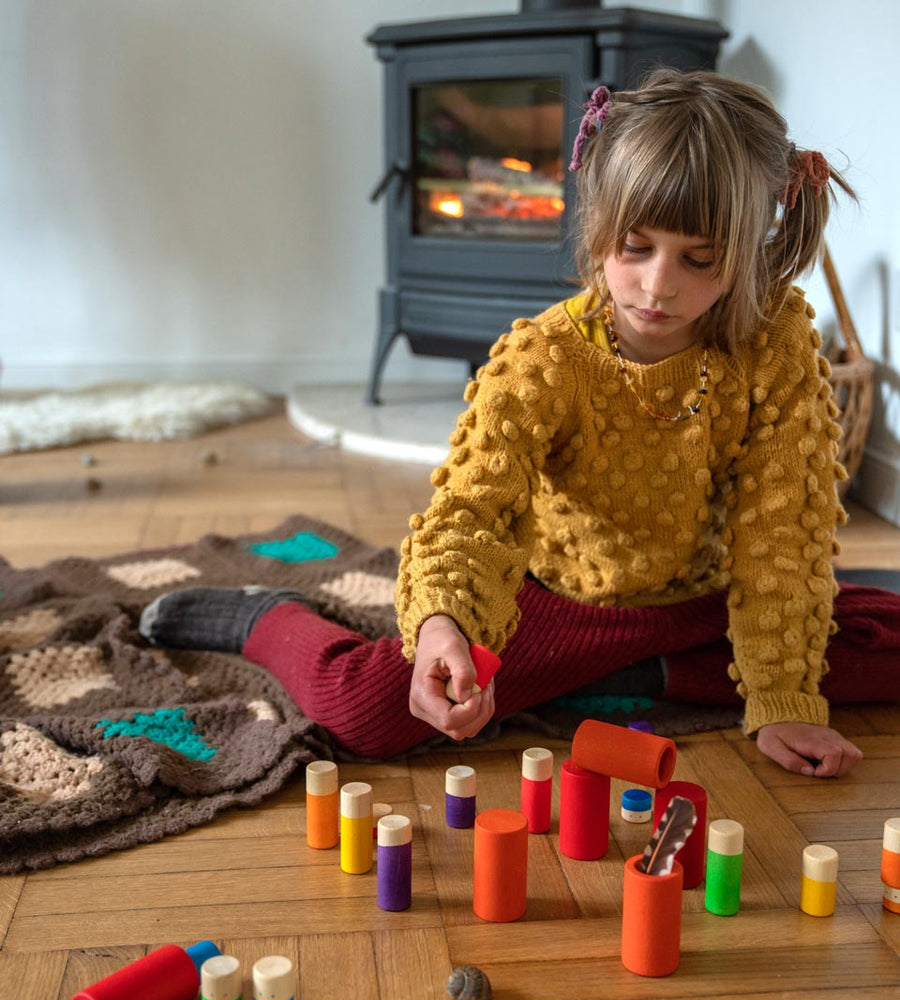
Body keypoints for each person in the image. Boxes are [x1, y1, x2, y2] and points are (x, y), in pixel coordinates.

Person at [140, 68, 900, 777]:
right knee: (363, 712)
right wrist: (443, 625)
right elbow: (472, 514)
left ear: (747, 251)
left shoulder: (776, 342)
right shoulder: (544, 357)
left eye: (700, 260)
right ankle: (267, 617)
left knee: (865, 649)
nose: (658, 286)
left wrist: (781, 698)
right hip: (565, 602)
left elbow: (784, 533)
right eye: (636, 248)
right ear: (599, 224)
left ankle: (635, 677)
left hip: (706, 600)